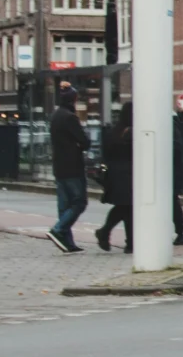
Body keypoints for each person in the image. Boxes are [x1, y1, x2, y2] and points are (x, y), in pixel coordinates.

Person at [47, 85, 89, 253]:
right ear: (73, 100)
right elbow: (85, 142)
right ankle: (57, 229)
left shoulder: (55, 116)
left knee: (64, 206)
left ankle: (67, 242)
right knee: (79, 202)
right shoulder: (70, 117)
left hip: (59, 166)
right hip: (73, 166)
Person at [96, 102, 134, 253]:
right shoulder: (131, 132)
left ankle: (126, 240)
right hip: (129, 174)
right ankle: (110, 233)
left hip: (114, 174)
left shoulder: (113, 132)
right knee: (127, 207)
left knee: (125, 207)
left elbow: (106, 153)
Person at [173, 113, 183, 246]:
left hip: (171, 173)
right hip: (172, 173)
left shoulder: (171, 129)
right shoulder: (175, 129)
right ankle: (180, 232)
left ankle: (181, 232)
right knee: (173, 203)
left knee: (173, 203)